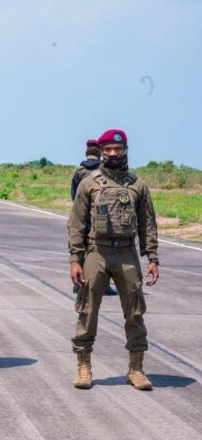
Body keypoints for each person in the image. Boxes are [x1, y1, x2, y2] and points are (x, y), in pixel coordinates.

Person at [68, 128, 159, 391]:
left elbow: (148, 224)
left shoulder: (137, 185)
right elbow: (76, 224)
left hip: (127, 254)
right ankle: (83, 366)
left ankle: (136, 369)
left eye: (117, 149)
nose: (112, 153)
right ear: (101, 151)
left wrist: (152, 256)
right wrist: (75, 258)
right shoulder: (89, 183)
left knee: (135, 312)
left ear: (125, 150)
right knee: (87, 309)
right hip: (97, 251)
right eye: (107, 149)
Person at [71, 139, 117, 296]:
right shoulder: (104, 172)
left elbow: (74, 196)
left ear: (86, 152)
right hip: (102, 218)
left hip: (83, 216)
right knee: (103, 251)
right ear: (99, 152)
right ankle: (104, 285)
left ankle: (79, 283)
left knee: (80, 249)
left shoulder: (79, 172)